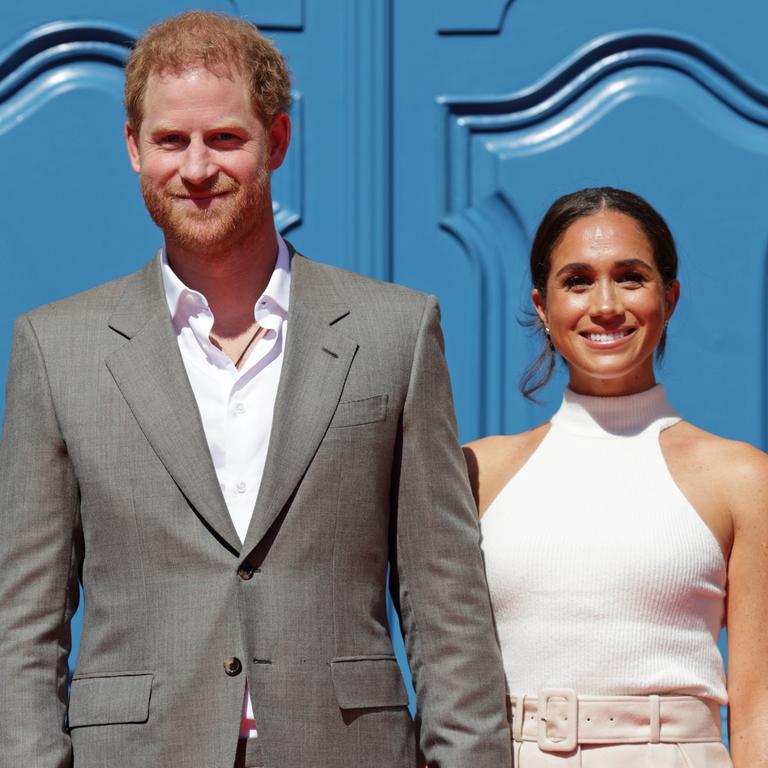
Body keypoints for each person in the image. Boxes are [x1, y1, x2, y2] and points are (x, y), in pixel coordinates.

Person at [0, 12, 511, 768]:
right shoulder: (57, 346)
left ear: (276, 141)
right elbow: (24, 621)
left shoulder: (394, 332)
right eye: (171, 140)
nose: (197, 167)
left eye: (226, 139)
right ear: (133, 147)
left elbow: (446, 604)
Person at [464, 187, 768, 767]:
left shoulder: (743, 480)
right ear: (542, 306)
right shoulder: (476, 472)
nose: (605, 304)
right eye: (577, 281)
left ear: (670, 298)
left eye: (630, 277)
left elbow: (760, 703)